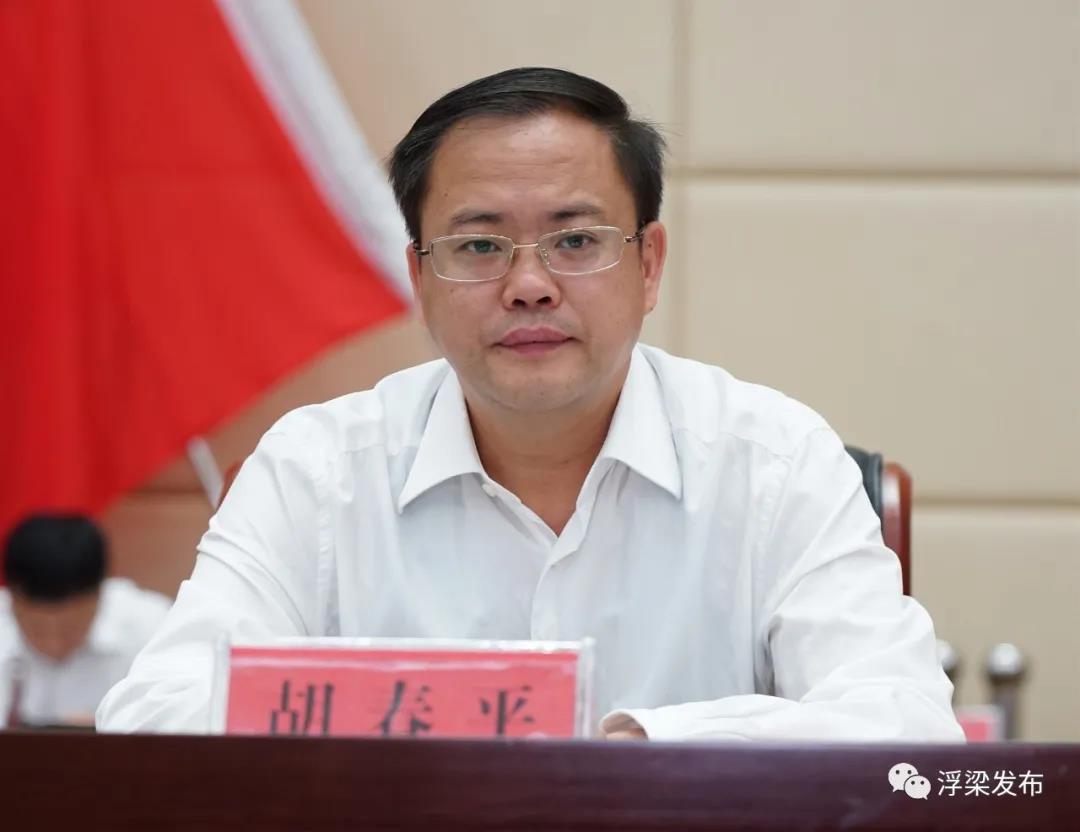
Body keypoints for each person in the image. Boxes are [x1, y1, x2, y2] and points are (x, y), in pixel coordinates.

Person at [97, 67, 963, 741]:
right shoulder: (316, 471)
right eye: (479, 246)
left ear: (649, 265)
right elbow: (154, 717)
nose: (529, 285)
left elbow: (907, 729)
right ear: (419, 280)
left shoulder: (774, 460)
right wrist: (439, 735)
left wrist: (642, 751)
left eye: (576, 240)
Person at [1, 514, 171, 728]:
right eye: (36, 630)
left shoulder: (155, 628)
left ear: (100, 597)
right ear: (10, 600)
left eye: (70, 630)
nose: (54, 644)